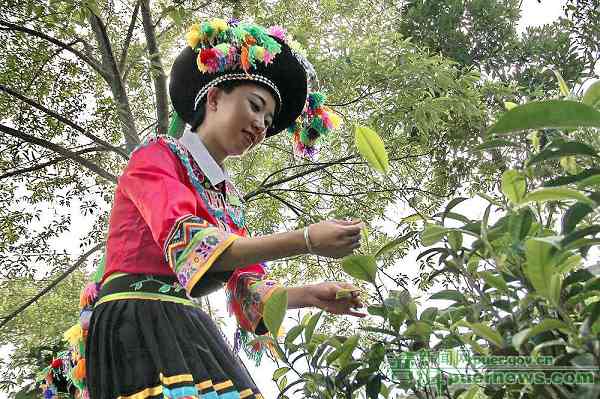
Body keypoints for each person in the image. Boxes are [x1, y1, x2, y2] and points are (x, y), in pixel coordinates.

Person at [84, 18, 366, 399]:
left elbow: (246, 289)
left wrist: (309, 295)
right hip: (136, 321)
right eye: (255, 106)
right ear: (214, 98)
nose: (261, 125)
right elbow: (192, 245)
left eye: (268, 119)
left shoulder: (229, 200)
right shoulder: (156, 157)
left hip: (184, 321)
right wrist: (306, 240)